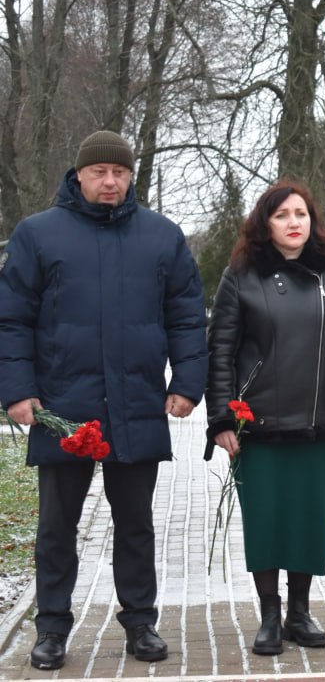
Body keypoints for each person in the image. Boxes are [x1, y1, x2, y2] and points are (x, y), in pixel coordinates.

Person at [0, 131, 207, 670]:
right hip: (63, 408)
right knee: (56, 527)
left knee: (135, 522)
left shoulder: (162, 237)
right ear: (80, 174)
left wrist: (187, 382)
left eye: (120, 172)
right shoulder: (37, 235)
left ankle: (140, 623)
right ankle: (51, 628)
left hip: (136, 403)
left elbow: (186, 315)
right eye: (99, 172)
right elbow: (12, 319)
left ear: (131, 175)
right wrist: (19, 391)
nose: (110, 181)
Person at [205, 180, 325, 655]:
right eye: (281, 215)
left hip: (322, 421)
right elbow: (221, 350)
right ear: (265, 224)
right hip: (257, 424)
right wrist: (221, 419)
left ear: (312, 221)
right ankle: (269, 615)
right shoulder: (240, 275)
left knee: (309, 519)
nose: (293, 223)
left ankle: (300, 611)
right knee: (266, 520)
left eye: (300, 213)